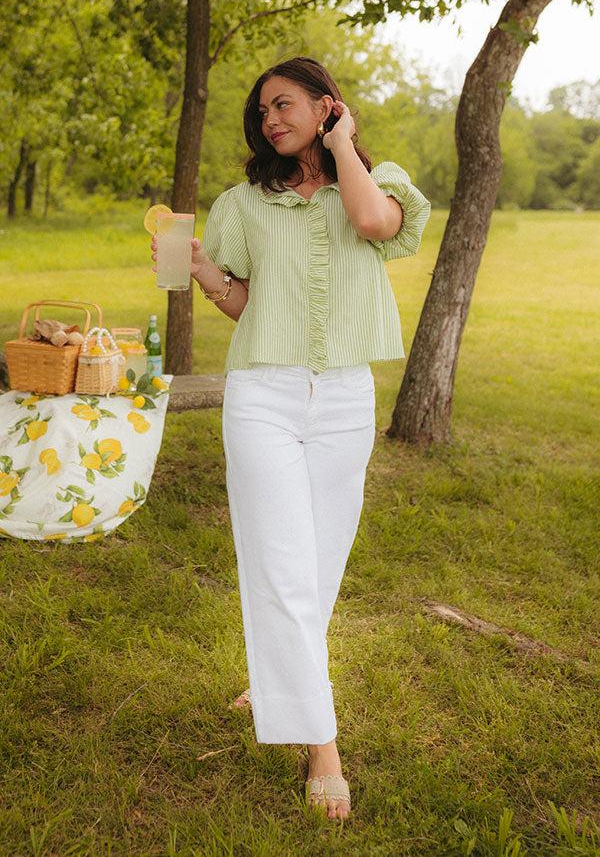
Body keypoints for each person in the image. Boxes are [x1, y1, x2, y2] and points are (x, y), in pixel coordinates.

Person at [151, 56, 431, 821]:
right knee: (279, 563)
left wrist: (343, 148)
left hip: (344, 398)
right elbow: (248, 303)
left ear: (326, 105)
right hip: (264, 397)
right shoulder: (243, 203)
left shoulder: (379, 184)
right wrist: (204, 272)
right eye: (262, 111)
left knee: (319, 561)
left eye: (283, 104)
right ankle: (322, 745)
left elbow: (374, 226)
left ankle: (278, 682)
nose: (269, 119)